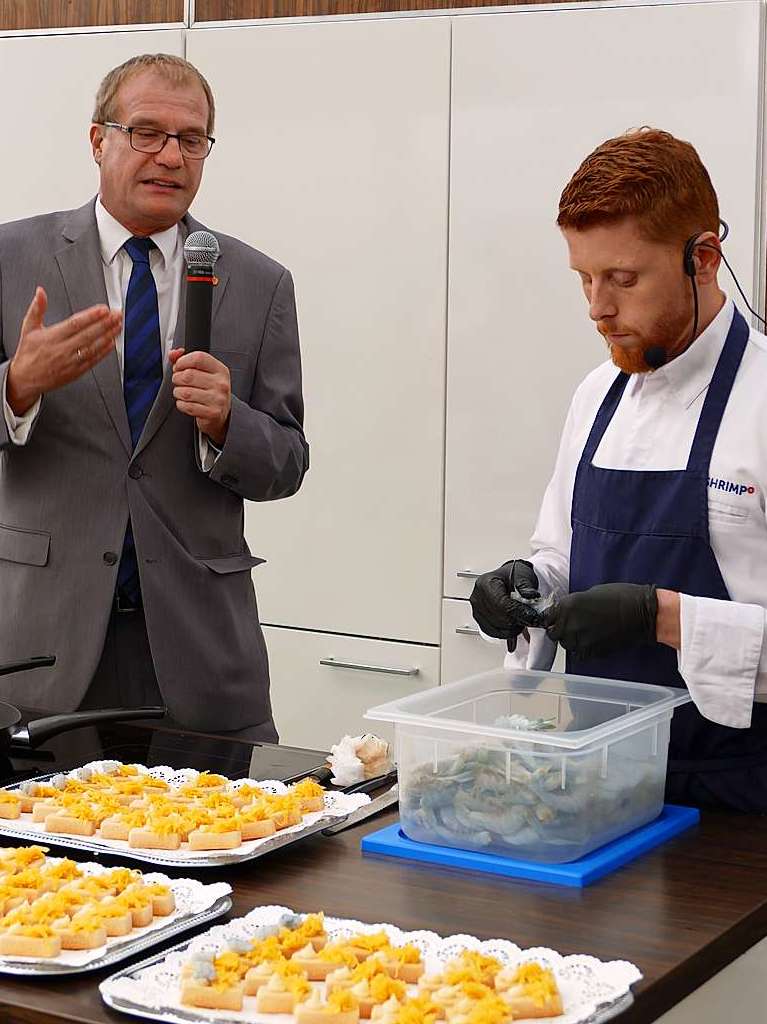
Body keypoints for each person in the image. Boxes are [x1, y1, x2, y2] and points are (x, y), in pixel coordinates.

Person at [0, 54, 309, 742]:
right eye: (146, 132)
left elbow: (286, 462)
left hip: (200, 656)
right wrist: (15, 386)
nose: (170, 155)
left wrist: (231, 421)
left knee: (223, 841)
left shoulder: (258, 284)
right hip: (42, 653)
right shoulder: (10, 259)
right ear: (97, 140)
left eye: (190, 139)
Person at [471, 128, 767, 811]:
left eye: (622, 279)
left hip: (745, 798)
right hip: (602, 786)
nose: (597, 309)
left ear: (703, 257)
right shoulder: (597, 395)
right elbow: (560, 556)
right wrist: (524, 589)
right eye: (584, 278)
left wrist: (658, 617)